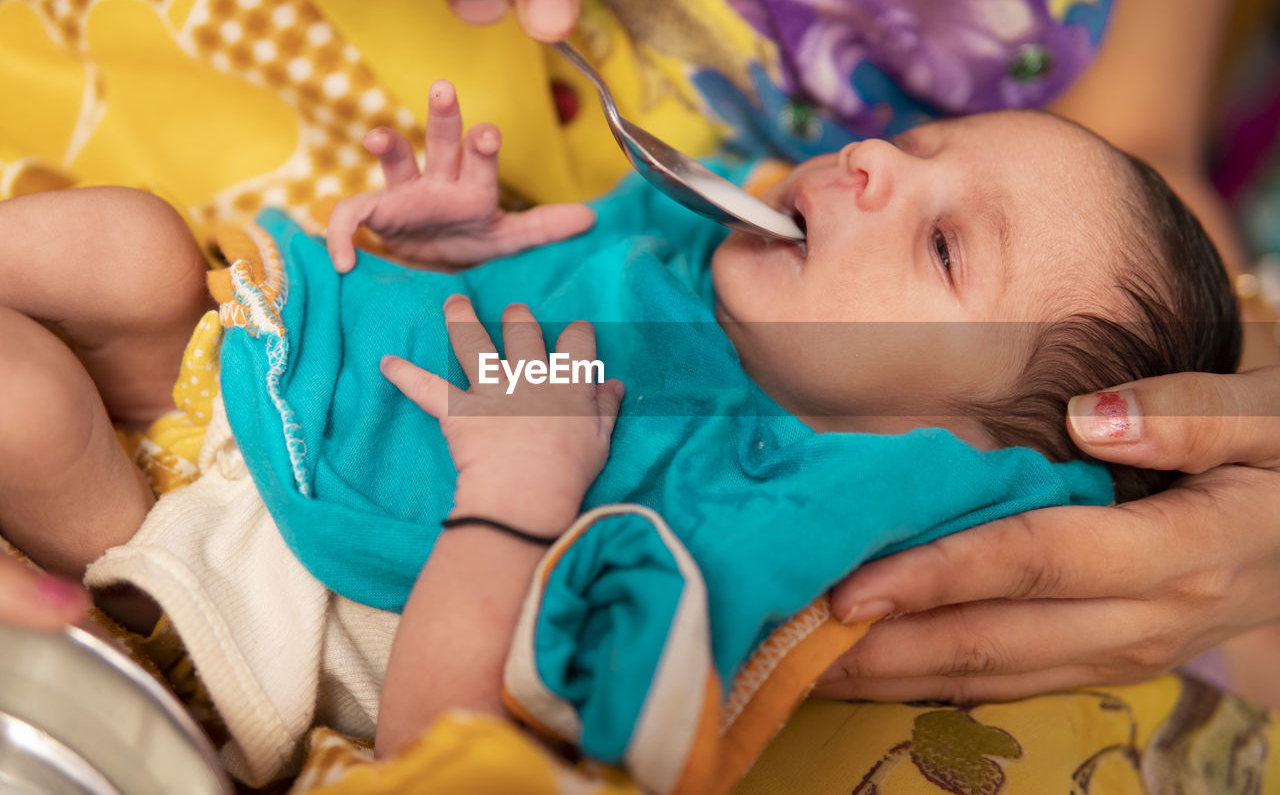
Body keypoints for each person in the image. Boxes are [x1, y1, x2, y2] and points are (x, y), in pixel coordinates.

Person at [0, 81, 1241, 780]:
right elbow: (475, 317)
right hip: (255, 385)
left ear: (956, 452)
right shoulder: (696, 253)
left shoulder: (708, 537)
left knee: (30, 404)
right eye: (914, 147)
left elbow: (450, 747)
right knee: (128, 245)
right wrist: (443, 256)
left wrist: (506, 506)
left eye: (940, 245)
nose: (868, 156)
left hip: (234, 585)